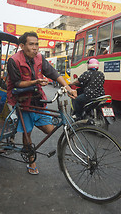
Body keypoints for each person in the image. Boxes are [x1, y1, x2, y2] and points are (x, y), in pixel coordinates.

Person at [7, 31, 76, 175]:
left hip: (38, 99)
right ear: (22, 46)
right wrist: (35, 81)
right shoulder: (13, 60)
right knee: (27, 134)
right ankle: (31, 160)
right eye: (31, 44)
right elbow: (17, 83)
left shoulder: (39, 57)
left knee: (50, 130)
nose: (35, 48)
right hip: (23, 101)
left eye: (37, 44)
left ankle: (29, 140)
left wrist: (68, 88)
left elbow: (53, 73)